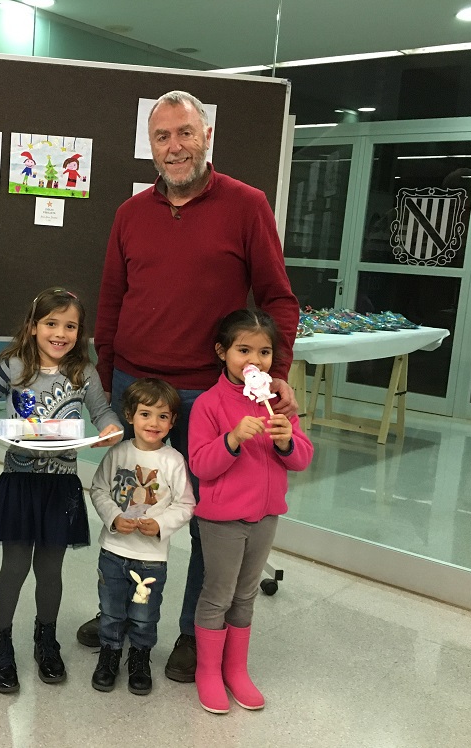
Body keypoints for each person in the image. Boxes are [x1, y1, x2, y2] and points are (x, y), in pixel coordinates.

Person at [84, 89, 301, 683]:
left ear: (206, 136)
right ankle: (118, 613)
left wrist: (272, 377)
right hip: (135, 383)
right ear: (149, 146)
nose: (174, 146)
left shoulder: (246, 205)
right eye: (162, 136)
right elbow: (110, 301)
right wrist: (103, 388)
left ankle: (190, 632)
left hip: (212, 397)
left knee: (209, 521)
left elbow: (279, 298)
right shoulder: (131, 214)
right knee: (130, 503)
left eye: (185, 133)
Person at [0, 287, 123, 694]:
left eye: (70, 326)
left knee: (51, 570)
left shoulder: (84, 373)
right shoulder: (13, 365)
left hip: (61, 487)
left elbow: (103, 412)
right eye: (51, 323)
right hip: (19, 483)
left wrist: (108, 427)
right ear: (33, 327)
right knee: (14, 568)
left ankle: (45, 638)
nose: (60, 333)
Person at [188, 309, 313, 713]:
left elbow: (302, 458)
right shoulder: (208, 404)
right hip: (222, 520)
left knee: (245, 594)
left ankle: (235, 670)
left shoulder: (277, 403)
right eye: (243, 350)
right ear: (222, 352)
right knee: (217, 595)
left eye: (263, 352)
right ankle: (207, 672)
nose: (254, 361)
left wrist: (284, 443)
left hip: (266, 517)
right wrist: (233, 439)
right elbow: (201, 465)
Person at [88, 378, 194, 696]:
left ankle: (139, 657)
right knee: (110, 610)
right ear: (130, 415)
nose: (154, 422)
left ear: (173, 421)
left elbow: (186, 503)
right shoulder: (118, 453)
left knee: (145, 615)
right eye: (146, 414)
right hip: (113, 552)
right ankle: (109, 654)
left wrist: (160, 524)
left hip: (151, 561)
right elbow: (99, 489)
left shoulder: (173, 461)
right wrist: (113, 517)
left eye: (163, 416)